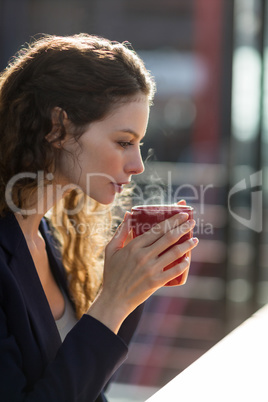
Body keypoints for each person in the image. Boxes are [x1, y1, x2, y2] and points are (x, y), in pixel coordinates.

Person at [0, 34, 198, 401]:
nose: (138, 164)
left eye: (139, 144)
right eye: (124, 142)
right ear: (58, 127)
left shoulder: (51, 235)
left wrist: (134, 288)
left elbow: (92, 387)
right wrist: (114, 301)